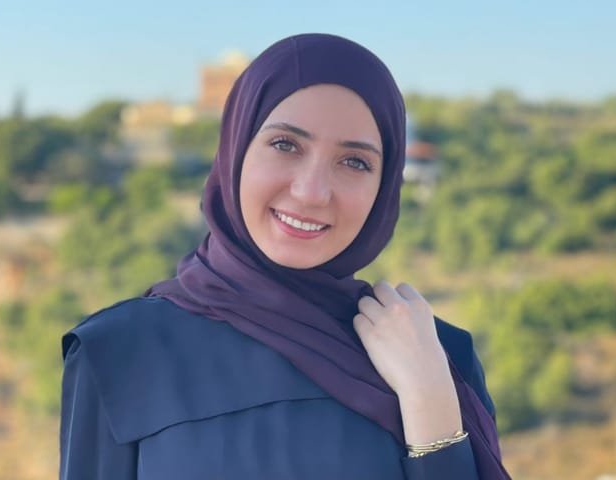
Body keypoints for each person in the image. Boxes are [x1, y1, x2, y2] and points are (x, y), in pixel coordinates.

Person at [59, 33, 510, 479]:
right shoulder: (118, 352)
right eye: (285, 145)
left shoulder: (437, 357)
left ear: (385, 186)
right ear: (236, 148)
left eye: (354, 161)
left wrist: (432, 411)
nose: (311, 191)